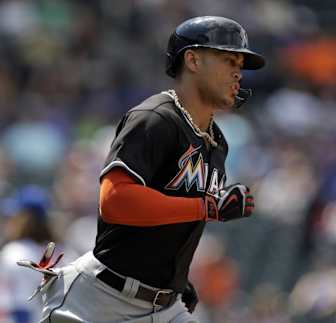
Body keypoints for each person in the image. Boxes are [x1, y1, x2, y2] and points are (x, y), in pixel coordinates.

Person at [35, 16, 265, 323]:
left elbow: (175, 220)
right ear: (193, 60)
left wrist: (176, 276)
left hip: (165, 305)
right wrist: (207, 206)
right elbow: (115, 201)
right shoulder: (155, 118)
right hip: (100, 301)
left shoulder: (216, 142)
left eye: (240, 63)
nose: (238, 71)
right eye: (227, 59)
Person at [0, 185, 55, 323]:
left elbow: (20, 309)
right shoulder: (63, 251)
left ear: (24, 218)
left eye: (12, 216)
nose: (8, 220)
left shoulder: (15, 252)